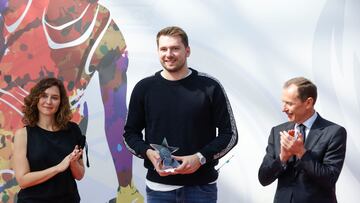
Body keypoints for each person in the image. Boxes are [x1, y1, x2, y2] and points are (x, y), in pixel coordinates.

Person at [0, 1, 141, 202]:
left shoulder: (106, 31)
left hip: (62, 165)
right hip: (10, 139)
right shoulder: (15, 6)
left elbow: (116, 118)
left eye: (54, 97)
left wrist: (126, 189)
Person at [123, 26, 238, 203]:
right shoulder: (144, 88)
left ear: (187, 51)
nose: (168, 54)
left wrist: (199, 158)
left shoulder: (210, 86)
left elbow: (229, 135)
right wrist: (148, 153)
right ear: (158, 51)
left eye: (175, 48)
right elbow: (130, 134)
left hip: (202, 188)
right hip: (158, 190)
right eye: (163, 49)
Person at [258, 77, 347, 203]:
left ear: (308, 103)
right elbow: (263, 178)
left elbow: (330, 179)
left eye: (289, 103)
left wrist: (301, 153)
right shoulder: (277, 131)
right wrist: (282, 158)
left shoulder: (334, 132)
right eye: (284, 102)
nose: (284, 109)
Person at [12, 78, 84, 202]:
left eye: (55, 97)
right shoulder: (22, 135)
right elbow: (23, 181)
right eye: (44, 96)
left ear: (61, 102)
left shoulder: (73, 130)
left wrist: (72, 163)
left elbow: (80, 175)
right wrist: (58, 168)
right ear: (36, 99)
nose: (48, 102)